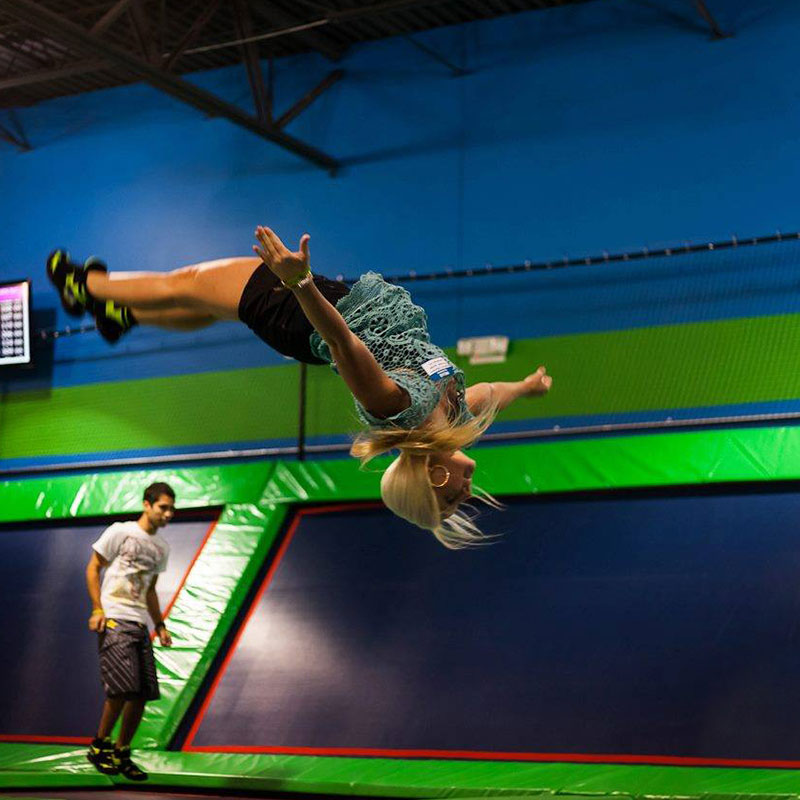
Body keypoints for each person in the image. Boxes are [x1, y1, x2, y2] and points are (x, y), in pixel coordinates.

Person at [49, 228, 551, 547]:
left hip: (302, 313)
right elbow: (491, 392)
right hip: (312, 309)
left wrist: (300, 283)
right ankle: (123, 315)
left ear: (436, 479)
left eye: (455, 499)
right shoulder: (452, 420)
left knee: (186, 282)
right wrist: (526, 386)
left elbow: (343, 343)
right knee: (208, 306)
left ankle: (83, 286)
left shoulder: (396, 409)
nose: (468, 491)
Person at [84, 482, 175, 781]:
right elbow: (93, 567)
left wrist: (159, 624)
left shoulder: (161, 548)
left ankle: (122, 752)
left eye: (172, 509)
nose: (168, 514)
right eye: (163, 507)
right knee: (122, 689)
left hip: (139, 624)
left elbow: (150, 590)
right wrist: (98, 609)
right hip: (115, 617)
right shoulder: (121, 531)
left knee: (141, 693)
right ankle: (99, 746)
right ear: (147, 505)